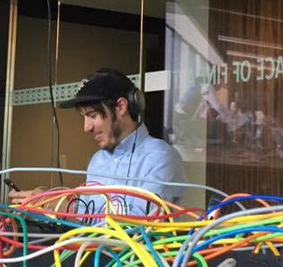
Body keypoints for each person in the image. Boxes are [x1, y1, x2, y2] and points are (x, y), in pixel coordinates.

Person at [11, 68, 186, 213]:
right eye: (83, 117)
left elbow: (142, 225)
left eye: (92, 115)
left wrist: (61, 207)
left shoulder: (160, 157)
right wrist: (46, 205)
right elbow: (87, 218)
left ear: (121, 107)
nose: (86, 127)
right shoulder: (97, 161)